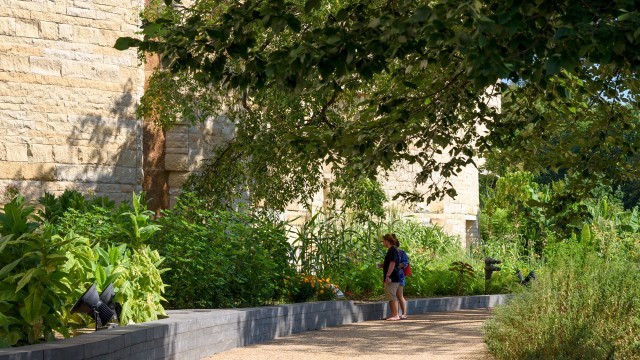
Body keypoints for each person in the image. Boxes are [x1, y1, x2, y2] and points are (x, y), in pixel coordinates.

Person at [381, 233, 400, 321]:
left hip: (392, 277)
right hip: (391, 277)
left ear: (387, 241)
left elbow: (392, 263)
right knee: (390, 296)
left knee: (392, 296)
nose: (383, 243)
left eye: (383, 241)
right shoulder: (391, 250)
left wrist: (388, 276)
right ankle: (393, 314)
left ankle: (396, 315)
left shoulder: (392, 250)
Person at [392, 234, 409, 320]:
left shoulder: (401, 253)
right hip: (392, 276)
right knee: (393, 296)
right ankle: (395, 314)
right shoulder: (390, 252)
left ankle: (404, 314)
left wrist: (397, 265)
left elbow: (406, 263)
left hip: (399, 276)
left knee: (399, 295)